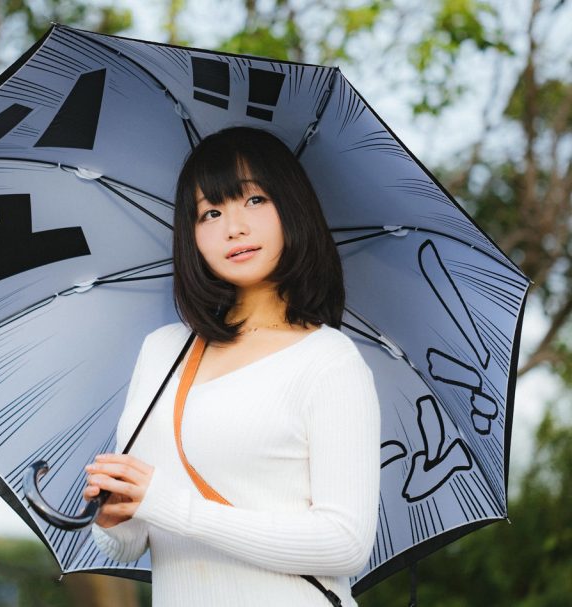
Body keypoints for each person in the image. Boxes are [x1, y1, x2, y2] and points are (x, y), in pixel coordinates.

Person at [82, 127, 381, 606]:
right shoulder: (163, 351)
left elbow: (345, 543)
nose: (233, 228)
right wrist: (113, 515)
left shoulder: (328, 361)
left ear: (292, 207)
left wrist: (172, 506)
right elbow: (127, 544)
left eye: (255, 201)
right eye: (211, 213)